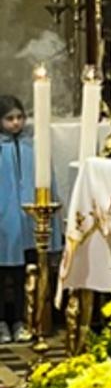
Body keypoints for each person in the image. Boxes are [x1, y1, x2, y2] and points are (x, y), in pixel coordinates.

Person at [0, 96, 45, 342]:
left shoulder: (30, 146)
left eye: (19, 117)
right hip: (3, 222)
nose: (16, 123)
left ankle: (19, 319)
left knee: (21, 275)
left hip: (24, 223)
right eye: (9, 118)